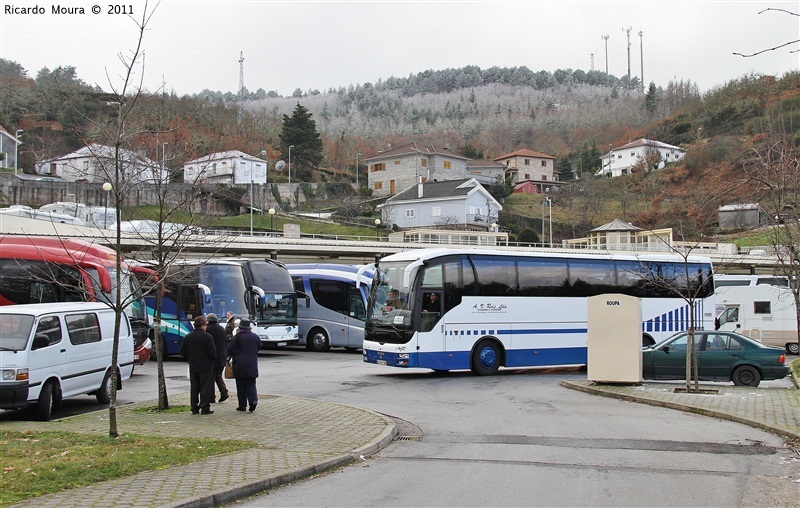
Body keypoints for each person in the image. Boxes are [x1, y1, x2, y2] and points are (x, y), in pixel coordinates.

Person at [179, 316, 216, 415]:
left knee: (194, 387)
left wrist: (190, 358)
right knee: (205, 387)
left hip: (193, 366)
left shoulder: (188, 337)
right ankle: (204, 407)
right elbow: (213, 353)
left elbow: (182, 352)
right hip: (206, 366)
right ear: (203, 326)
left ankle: (194, 407)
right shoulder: (207, 337)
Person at [226, 318, 261, 412]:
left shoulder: (236, 337)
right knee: (251, 384)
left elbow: (229, 349)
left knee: (240, 385)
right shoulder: (255, 337)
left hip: (239, 364)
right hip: (252, 364)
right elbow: (258, 348)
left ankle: (242, 405)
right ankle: (253, 400)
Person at [205, 313, 229, 403]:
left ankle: (212, 396)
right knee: (218, 375)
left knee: (210, 377)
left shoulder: (208, 329)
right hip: (222, 356)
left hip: (212, 357)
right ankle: (224, 392)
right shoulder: (221, 329)